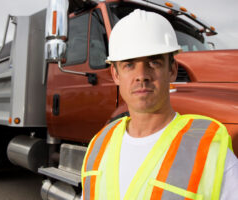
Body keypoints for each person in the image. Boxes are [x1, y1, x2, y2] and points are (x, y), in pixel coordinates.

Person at [80, 9, 238, 200]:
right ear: (115, 74)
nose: (142, 76)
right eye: (129, 64)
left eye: (153, 62)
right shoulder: (98, 145)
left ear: (172, 69)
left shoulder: (208, 150)